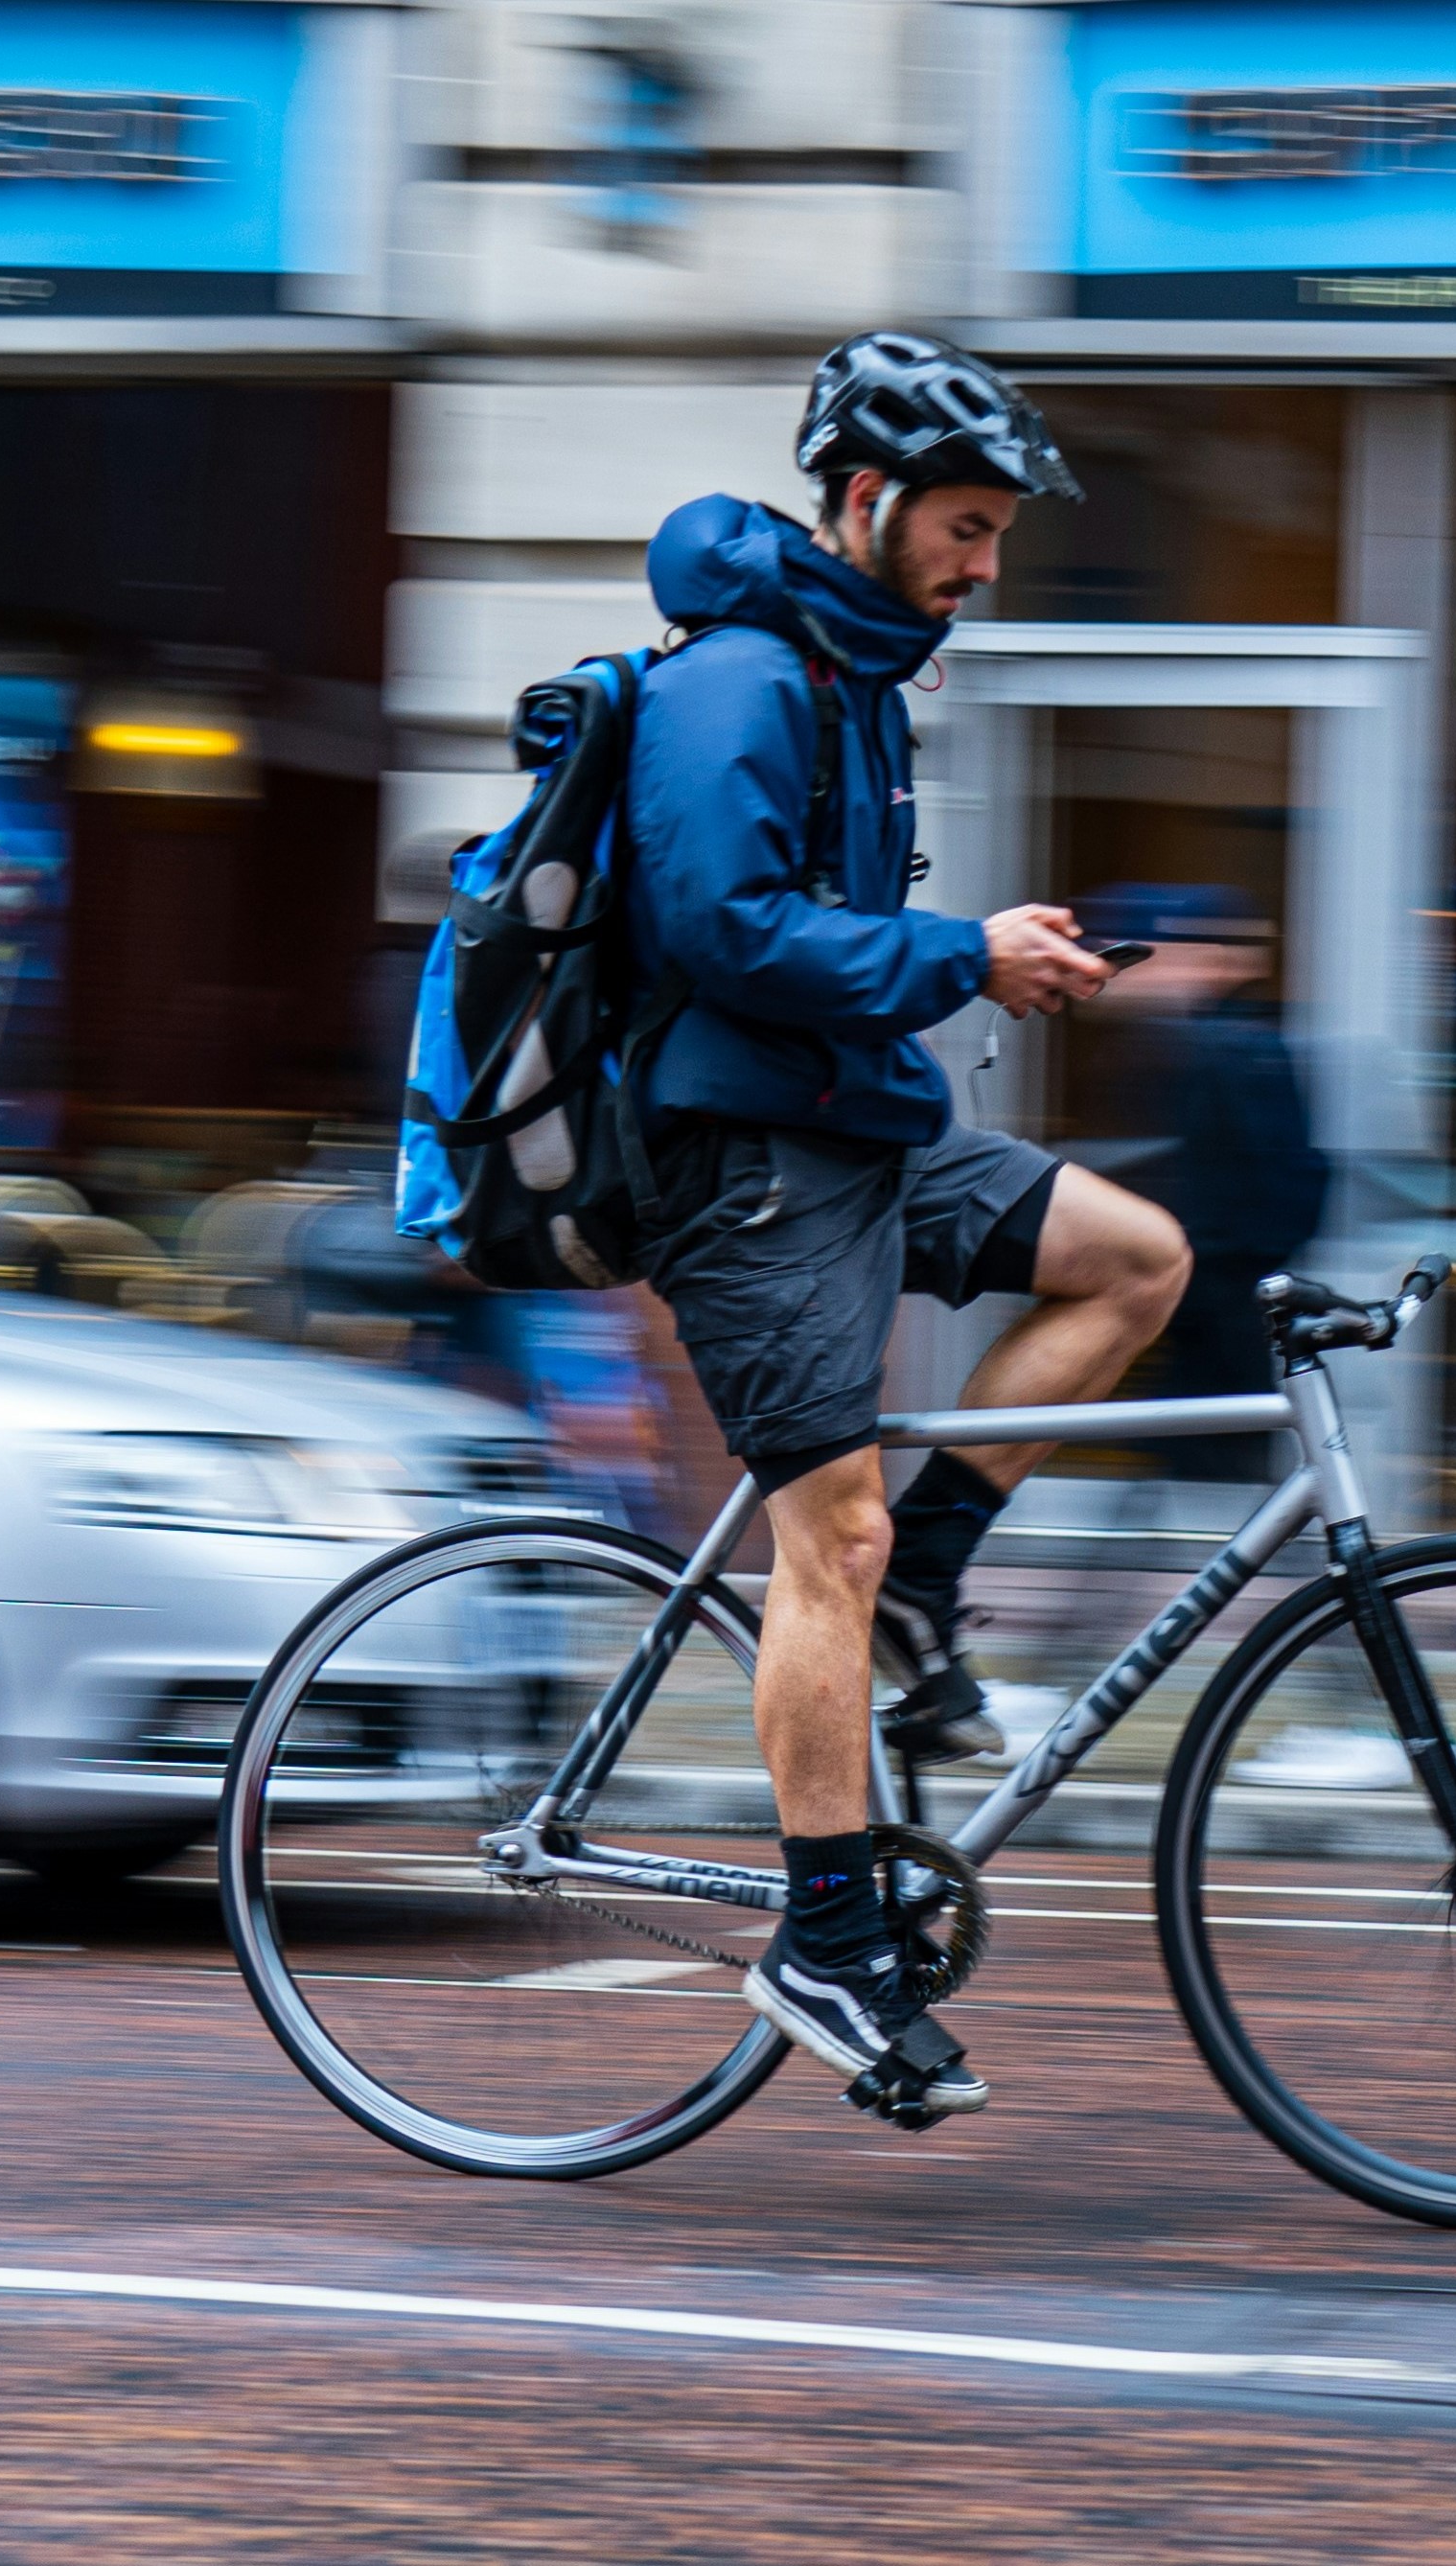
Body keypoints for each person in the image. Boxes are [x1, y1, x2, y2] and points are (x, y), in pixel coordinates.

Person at [620, 334, 1190, 2121]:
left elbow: (824, 948)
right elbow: (723, 931)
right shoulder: (740, 681)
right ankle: (827, 1937)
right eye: (961, 524)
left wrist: (991, 954)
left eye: (995, 532)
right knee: (826, 1543)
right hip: (737, 1167)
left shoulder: (860, 677)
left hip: (858, 1133)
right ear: (861, 501)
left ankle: (934, 1591)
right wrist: (964, 954)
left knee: (1139, 1257)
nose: (982, 564)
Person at [1073, 884, 1327, 1486]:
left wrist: (1197, 1270)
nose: (1113, 975)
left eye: (1131, 958)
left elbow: (1261, 1186)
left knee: (1212, 1454)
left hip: (1220, 1299)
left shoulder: (1227, 1051)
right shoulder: (1201, 1046)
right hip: (1217, 1293)